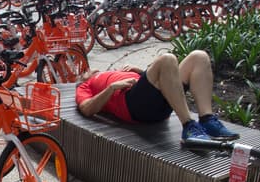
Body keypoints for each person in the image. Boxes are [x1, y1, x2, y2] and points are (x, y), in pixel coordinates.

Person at [74, 50, 239, 142]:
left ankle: (207, 119)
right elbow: (87, 108)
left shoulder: (111, 72)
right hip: (134, 106)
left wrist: (142, 73)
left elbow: (159, 80)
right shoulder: (85, 85)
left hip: (155, 98)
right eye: (84, 72)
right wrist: (111, 88)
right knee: (167, 59)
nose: (88, 70)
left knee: (199, 57)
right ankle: (189, 126)